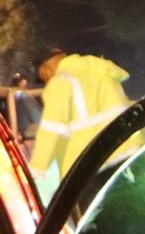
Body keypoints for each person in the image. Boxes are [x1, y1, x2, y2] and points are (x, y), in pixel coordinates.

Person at [30, 48, 133, 200]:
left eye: (43, 78)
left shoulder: (61, 82)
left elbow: (52, 129)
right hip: (124, 155)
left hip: (90, 166)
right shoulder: (100, 71)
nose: (46, 82)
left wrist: (36, 171)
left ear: (46, 67)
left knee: (94, 219)